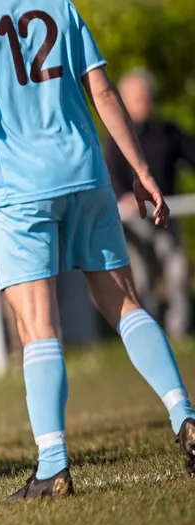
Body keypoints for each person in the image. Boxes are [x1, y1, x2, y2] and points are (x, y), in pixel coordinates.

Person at [0, 0, 195, 498]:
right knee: (125, 304)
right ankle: (185, 415)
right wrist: (142, 171)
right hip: (87, 177)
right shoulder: (58, 5)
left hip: (23, 192)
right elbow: (102, 90)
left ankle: (53, 467)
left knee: (37, 327)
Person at [106, 71, 195, 339]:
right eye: (136, 98)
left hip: (166, 217)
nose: (142, 102)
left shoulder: (169, 132)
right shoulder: (116, 137)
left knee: (178, 273)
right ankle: (151, 334)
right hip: (134, 222)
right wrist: (125, 197)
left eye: (145, 97)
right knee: (141, 280)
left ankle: (179, 331)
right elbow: (111, 174)